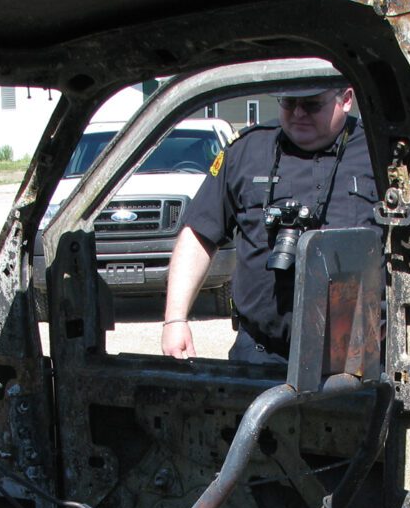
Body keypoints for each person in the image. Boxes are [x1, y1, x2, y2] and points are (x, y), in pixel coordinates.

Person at [161, 83, 379, 364]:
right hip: (262, 352)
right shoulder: (246, 150)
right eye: (288, 103)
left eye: (312, 104)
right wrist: (174, 319)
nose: (298, 112)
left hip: (355, 355)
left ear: (346, 99)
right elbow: (199, 233)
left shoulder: (380, 154)